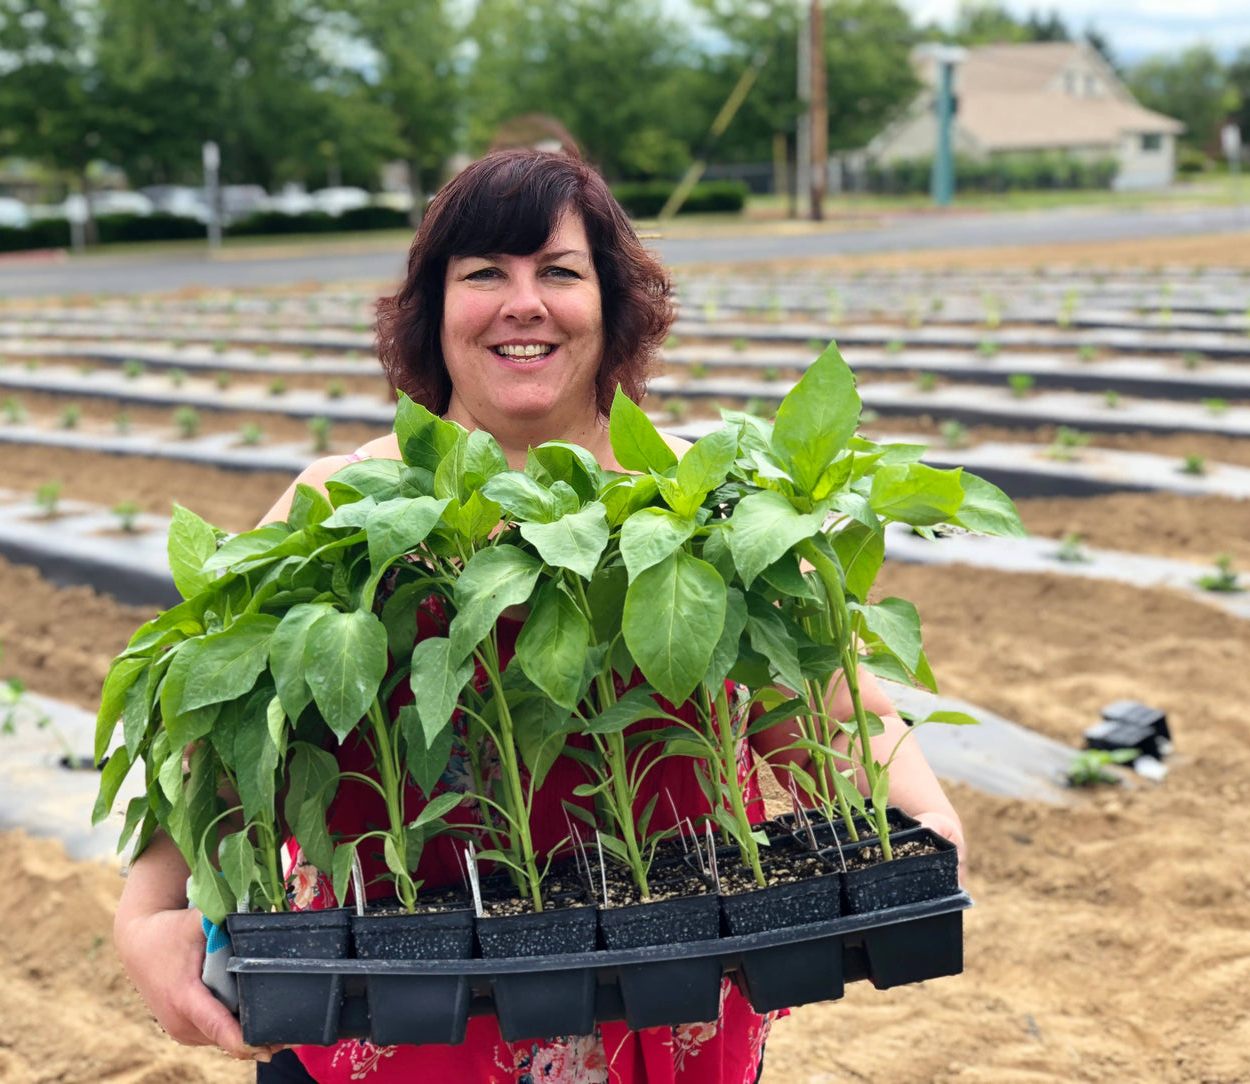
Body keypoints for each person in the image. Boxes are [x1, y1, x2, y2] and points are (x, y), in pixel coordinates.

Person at [113, 148, 966, 1084]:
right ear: (433, 313)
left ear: (612, 306)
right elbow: (220, 731)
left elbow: (824, 706)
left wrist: (916, 824)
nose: (524, 303)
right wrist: (151, 912)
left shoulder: (701, 502)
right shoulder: (345, 506)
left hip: (663, 996)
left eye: (559, 272)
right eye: (484, 274)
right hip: (401, 1016)